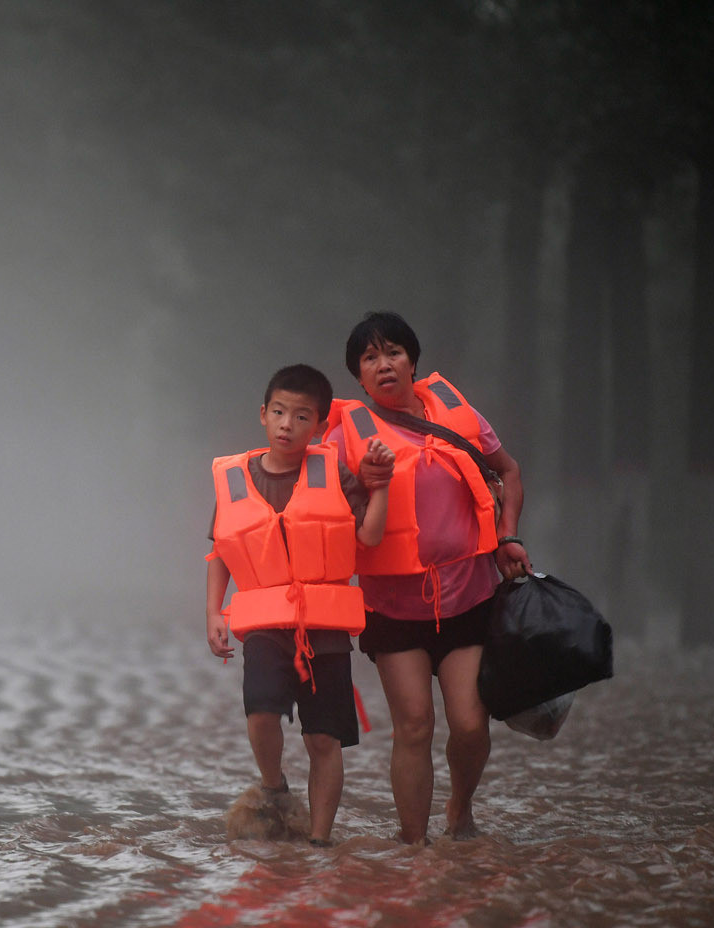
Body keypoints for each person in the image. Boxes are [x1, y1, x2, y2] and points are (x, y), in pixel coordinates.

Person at [322, 311, 531, 845]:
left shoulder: (457, 416)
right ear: (359, 379)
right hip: (394, 607)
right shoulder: (346, 441)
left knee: (468, 724)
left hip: (468, 596)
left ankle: (459, 811)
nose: (383, 364)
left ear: (413, 361)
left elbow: (508, 470)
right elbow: (329, 515)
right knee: (413, 725)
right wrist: (363, 486)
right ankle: (413, 848)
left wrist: (509, 535)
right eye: (369, 358)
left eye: (392, 352)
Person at [206, 363, 391, 846]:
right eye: (280, 413)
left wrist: (382, 487)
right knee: (261, 712)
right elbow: (221, 552)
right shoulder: (234, 479)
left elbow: (369, 537)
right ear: (264, 415)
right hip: (266, 624)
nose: (289, 424)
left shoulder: (336, 475)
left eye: (302, 416)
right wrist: (213, 613)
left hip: (325, 630)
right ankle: (274, 786)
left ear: (319, 425)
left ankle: (319, 843)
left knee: (323, 740)